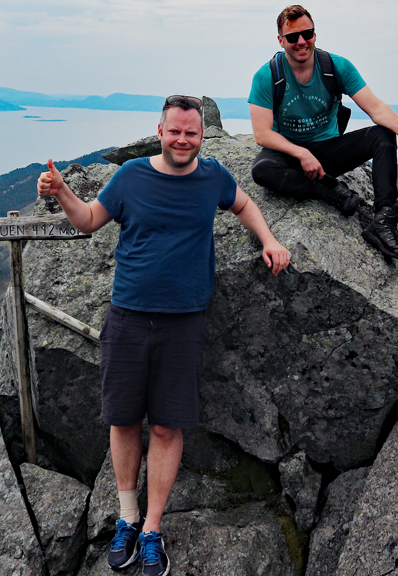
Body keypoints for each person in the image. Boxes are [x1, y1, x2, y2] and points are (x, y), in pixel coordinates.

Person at [37, 95, 290, 576]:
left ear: (201, 135)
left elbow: (244, 204)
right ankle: (127, 517)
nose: (182, 139)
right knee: (124, 419)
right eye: (174, 131)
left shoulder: (212, 176)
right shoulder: (131, 176)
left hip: (185, 320)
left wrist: (270, 239)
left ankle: (152, 528)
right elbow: (89, 220)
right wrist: (62, 191)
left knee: (167, 426)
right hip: (128, 317)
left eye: (191, 133)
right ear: (160, 130)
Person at [248, 4, 398, 260]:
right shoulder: (268, 76)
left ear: (315, 34)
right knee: (262, 170)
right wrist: (300, 152)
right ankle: (329, 190)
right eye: (292, 37)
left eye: (307, 34)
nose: (301, 42)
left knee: (383, 135)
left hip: (328, 151)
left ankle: (383, 220)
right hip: (289, 154)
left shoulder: (336, 67)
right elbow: (262, 134)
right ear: (281, 41)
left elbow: (375, 107)